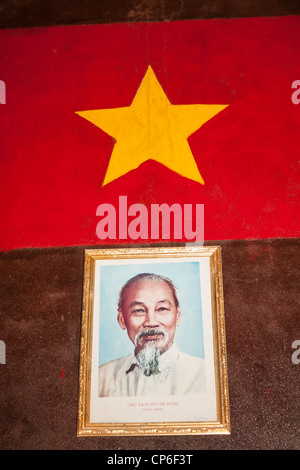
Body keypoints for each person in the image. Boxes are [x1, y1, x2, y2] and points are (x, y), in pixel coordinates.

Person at [98, 273, 205, 397]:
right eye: (139, 310)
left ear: (178, 316)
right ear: (121, 319)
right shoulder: (101, 378)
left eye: (162, 309)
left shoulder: (204, 374)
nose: (151, 322)